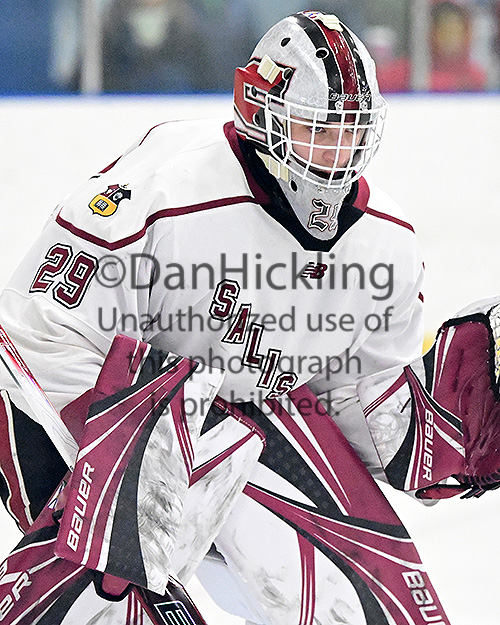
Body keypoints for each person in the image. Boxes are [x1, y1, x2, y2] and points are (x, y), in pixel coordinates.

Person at [1, 10, 488, 625]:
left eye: (351, 134)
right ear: (260, 111)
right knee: (133, 549)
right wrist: (101, 504)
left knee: (380, 608)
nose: (338, 156)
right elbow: (38, 339)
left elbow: (355, 401)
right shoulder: (168, 186)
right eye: (318, 131)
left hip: (259, 430)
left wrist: (433, 439)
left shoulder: (386, 244)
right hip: (121, 426)